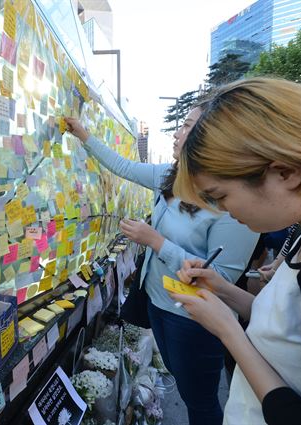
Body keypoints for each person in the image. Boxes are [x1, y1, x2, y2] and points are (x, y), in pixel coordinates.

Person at [65, 113, 258, 425]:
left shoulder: (230, 201)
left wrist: (156, 241)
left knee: (200, 401)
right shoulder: (171, 176)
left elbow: (221, 279)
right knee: (185, 386)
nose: (176, 133)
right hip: (157, 303)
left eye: (186, 126)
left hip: (194, 319)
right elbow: (123, 166)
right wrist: (84, 136)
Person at [171, 77, 301, 424]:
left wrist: (228, 332)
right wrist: (222, 290)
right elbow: (291, 325)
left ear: (286, 172)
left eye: (220, 195)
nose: (223, 210)